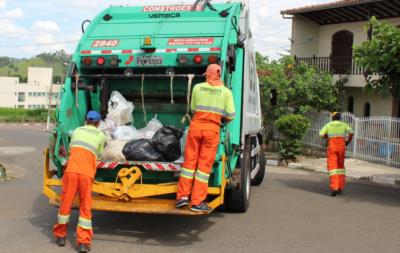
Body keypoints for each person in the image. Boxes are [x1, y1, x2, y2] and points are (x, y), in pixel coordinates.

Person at [176, 64, 235, 212]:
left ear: (206, 74)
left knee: (189, 164)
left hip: (195, 128)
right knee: (203, 168)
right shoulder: (226, 92)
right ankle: (197, 202)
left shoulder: (197, 87)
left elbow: (193, 109)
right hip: (211, 130)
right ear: (219, 74)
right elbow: (231, 115)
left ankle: (182, 197)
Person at [53, 111, 106, 253]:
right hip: (86, 175)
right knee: (85, 206)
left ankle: (60, 236)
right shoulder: (101, 135)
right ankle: (83, 243)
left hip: (71, 172)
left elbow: (71, 150)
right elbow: (100, 155)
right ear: (98, 123)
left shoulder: (77, 131)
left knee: (65, 204)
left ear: (86, 121)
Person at [319, 112, 353, 197]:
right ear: (340, 118)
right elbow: (351, 132)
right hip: (341, 148)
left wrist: (327, 137)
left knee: (332, 168)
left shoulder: (329, 125)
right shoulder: (343, 125)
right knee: (340, 168)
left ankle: (334, 188)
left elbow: (321, 134)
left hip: (332, 148)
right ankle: (340, 188)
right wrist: (348, 141)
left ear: (332, 117)